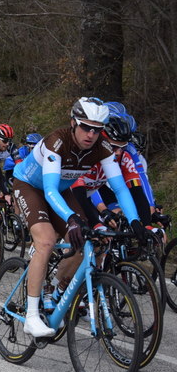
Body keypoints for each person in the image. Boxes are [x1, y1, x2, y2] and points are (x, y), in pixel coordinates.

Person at [12, 97, 147, 337]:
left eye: (97, 130)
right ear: (73, 123)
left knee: (89, 242)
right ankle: (31, 317)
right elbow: (50, 189)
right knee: (45, 241)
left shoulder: (102, 148)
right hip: (30, 186)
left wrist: (136, 221)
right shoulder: (57, 141)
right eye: (85, 127)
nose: (91, 134)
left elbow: (120, 188)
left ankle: (55, 292)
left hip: (61, 190)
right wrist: (71, 218)